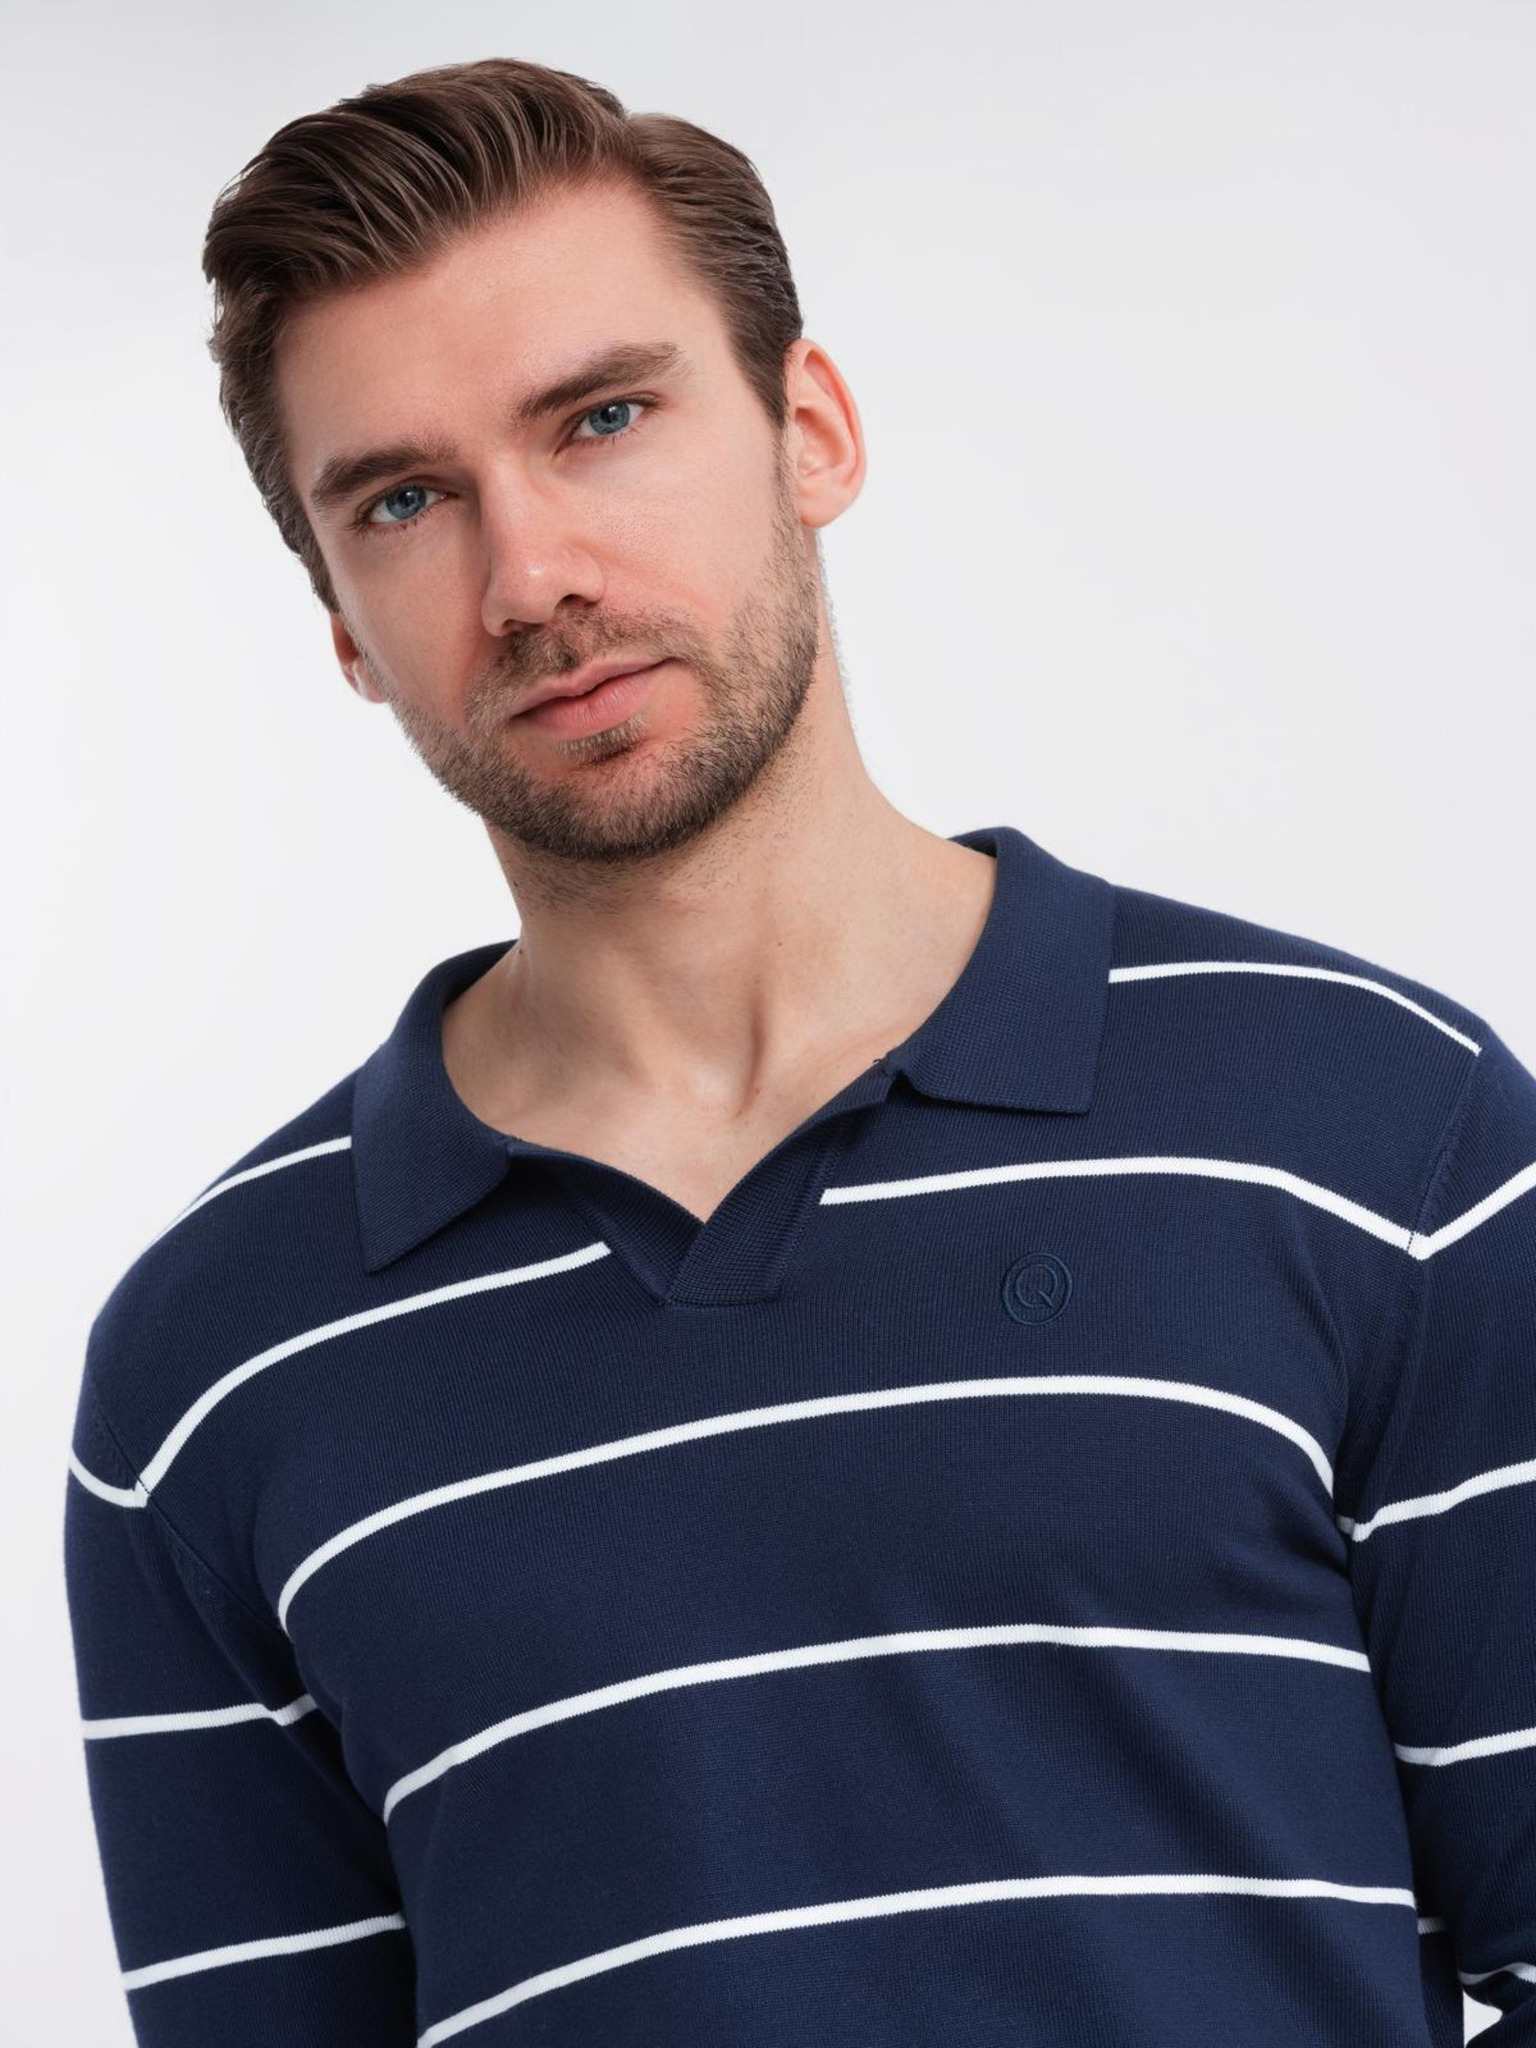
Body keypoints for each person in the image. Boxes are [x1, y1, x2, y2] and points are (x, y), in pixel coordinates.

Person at [62, 55, 1535, 2048]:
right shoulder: (212, 1371)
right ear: (338, 618)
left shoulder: (1377, 1135)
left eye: (603, 419)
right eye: (404, 500)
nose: (532, 577)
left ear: (810, 427)